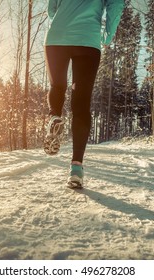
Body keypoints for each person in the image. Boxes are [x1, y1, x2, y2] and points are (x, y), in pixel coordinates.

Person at [44, 0, 124, 188]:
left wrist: (64, 16)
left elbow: (51, 9)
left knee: (57, 86)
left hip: (57, 36)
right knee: (80, 103)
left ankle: (55, 115)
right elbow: (116, 4)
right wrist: (108, 34)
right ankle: (76, 170)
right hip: (87, 40)